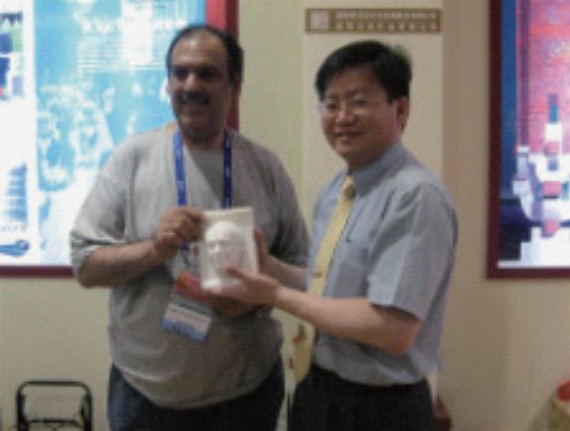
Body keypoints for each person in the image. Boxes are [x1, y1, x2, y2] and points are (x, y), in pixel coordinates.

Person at [70, 24, 307, 431]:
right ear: (168, 82)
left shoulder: (265, 167)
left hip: (246, 394)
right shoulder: (131, 159)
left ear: (235, 84)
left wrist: (257, 295)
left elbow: (305, 274)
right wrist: (155, 249)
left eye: (207, 73)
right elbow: (86, 265)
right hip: (145, 396)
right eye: (180, 73)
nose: (191, 85)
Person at [212, 40, 458, 431]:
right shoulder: (335, 192)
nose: (342, 117)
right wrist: (271, 269)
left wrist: (276, 296)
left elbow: (392, 328)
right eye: (331, 104)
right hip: (318, 391)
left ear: (401, 109)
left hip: (381, 409)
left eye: (359, 102)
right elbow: (327, 288)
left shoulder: (415, 195)